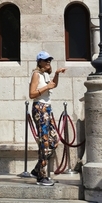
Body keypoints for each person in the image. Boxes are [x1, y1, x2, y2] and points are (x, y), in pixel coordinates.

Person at [28, 52, 66, 186]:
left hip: (47, 108)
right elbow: (32, 94)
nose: (48, 61)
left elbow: (53, 85)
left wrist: (57, 74)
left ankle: (37, 169)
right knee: (44, 141)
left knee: (53, 141)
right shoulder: (36, 74)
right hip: (40, 108)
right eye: (46, 60)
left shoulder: (45, 74)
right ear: (40, 62)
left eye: (49, 59)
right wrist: (46, 87)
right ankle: (41, 175)